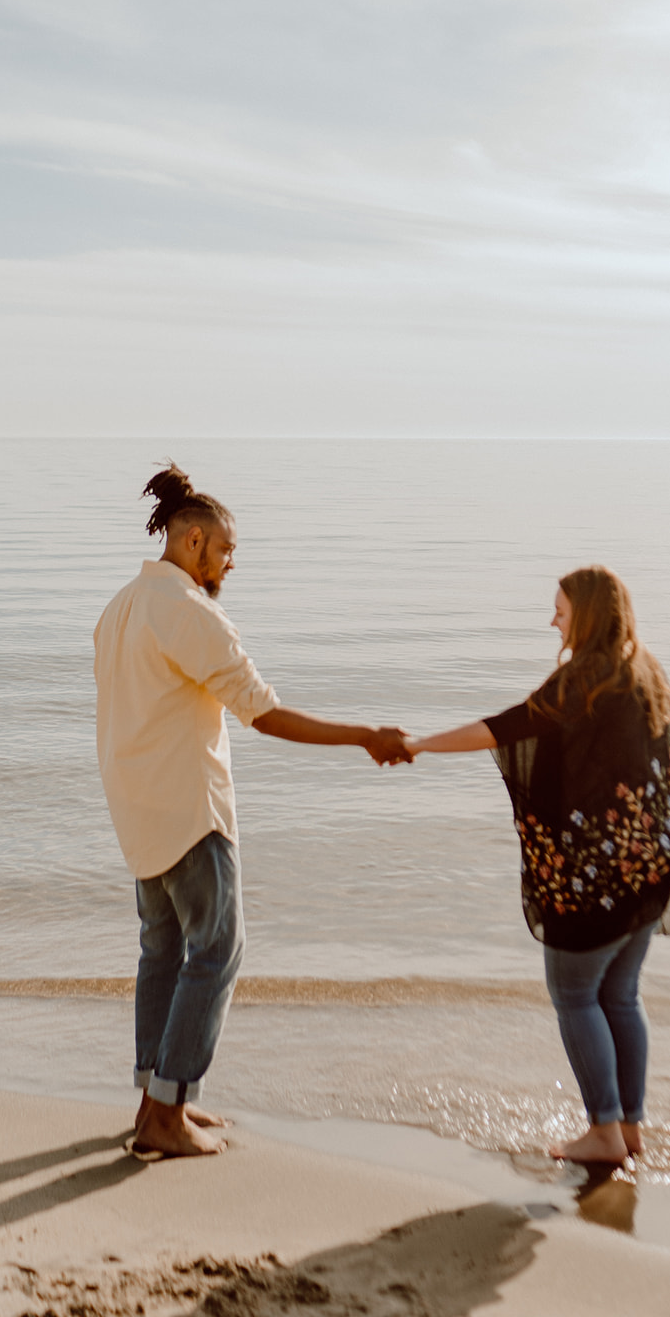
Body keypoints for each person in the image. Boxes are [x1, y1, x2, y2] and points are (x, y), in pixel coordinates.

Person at [93, 463, 410, 1160]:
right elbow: (260, 712)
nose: (232, 563)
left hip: (138, 809)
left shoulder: (120, 606)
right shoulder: (186, 610)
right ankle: (166, 1115)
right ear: (196, 540)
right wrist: (364, 735)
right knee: (217, 951)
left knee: (164, 951)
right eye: (228, 550)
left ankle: (156, 1101)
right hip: (188, 810)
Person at [406, 565, 670, 1165]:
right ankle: (631, 1129)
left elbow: (503, 729)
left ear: (585, 615)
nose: (552, 619)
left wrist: (415, 745)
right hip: (655, 863)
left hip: (598, 881)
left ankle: (604, 1134)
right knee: (620, 993)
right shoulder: (646, 672)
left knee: (574, 995)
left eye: (560, 609)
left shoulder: (582, 681)